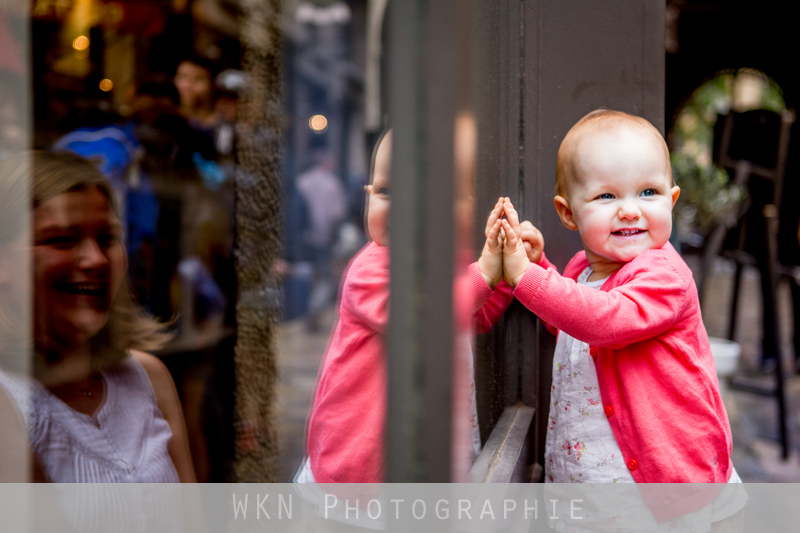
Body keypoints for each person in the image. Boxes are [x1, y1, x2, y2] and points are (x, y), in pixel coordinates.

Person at [478, 110, 745, 526]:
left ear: (672, 200)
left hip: (658, 485)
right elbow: (571, 322)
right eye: (607, 196)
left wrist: (526, 277)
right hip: (598, 481)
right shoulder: (582, 272)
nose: (630, 210)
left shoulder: (664, 275)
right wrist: (539, 266)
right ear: (568, 213)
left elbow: (606, 319)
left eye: (648, 192)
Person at [296, 129, 526, 485]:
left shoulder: (453, 264)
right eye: (387, 191)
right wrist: (484, 273)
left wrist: (510, 273)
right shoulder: (371, 269)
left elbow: (476, 315)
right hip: (364, 467)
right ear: (368, 195)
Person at [0, 151, 195, 484]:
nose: (96, 260)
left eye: (107, 239)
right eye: (61, 240)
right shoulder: (11, 400)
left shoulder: (147, 376)